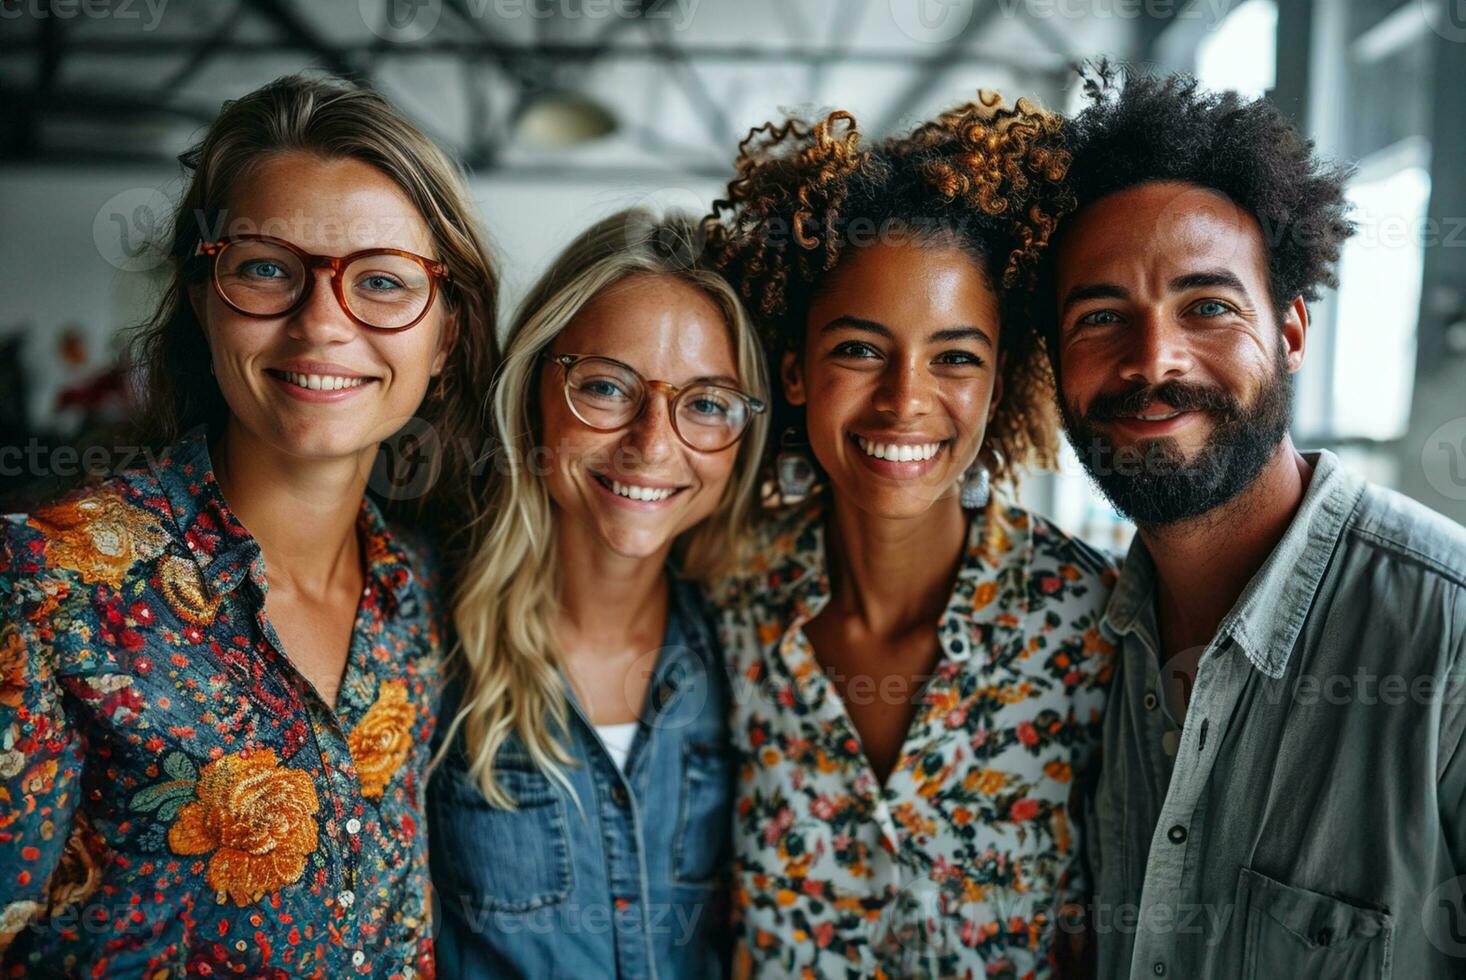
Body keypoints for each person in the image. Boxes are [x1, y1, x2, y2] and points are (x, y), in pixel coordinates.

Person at [0, 74, 499, 977]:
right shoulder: (48, 587)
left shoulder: (426, 590)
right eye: (267, 267)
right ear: (201, 295)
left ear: (448, 334)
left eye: (382, 282)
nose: (322, 324)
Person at [1035, 65, 1466, 977]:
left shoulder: (1449, 635)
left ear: (1293, 331)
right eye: (1101, 316)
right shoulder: (1074, 652)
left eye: (1208, 307)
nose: (1153, 360)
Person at [703, 95, 1117, 978]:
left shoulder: (1091, 626)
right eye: (859, 349)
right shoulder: (729, 594)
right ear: (796, 371)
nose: (904, 399)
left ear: (999, 383)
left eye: (955, 357)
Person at [427, 208, 770, 978]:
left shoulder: (748, 650)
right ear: (533, 389)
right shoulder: (423, 637)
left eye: (707, 403)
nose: (653, 443)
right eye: (608, 388)